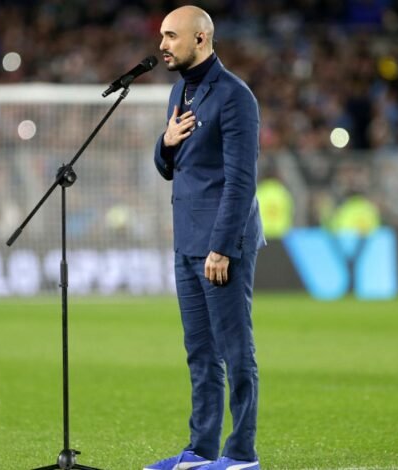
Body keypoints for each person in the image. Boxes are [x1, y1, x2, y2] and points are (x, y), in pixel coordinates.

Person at [145, 6, 265, 470]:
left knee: (235, 350)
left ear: (201, 39)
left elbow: (240, 181)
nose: (162, 44)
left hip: (221, 246)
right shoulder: (179, 92)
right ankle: (200, 451)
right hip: (186, 241)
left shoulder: (235, 97)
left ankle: (241, 454)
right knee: (199, 352)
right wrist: (165, 142)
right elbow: (168, 169)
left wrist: (222, 246)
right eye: (162, 35)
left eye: (171, 36)